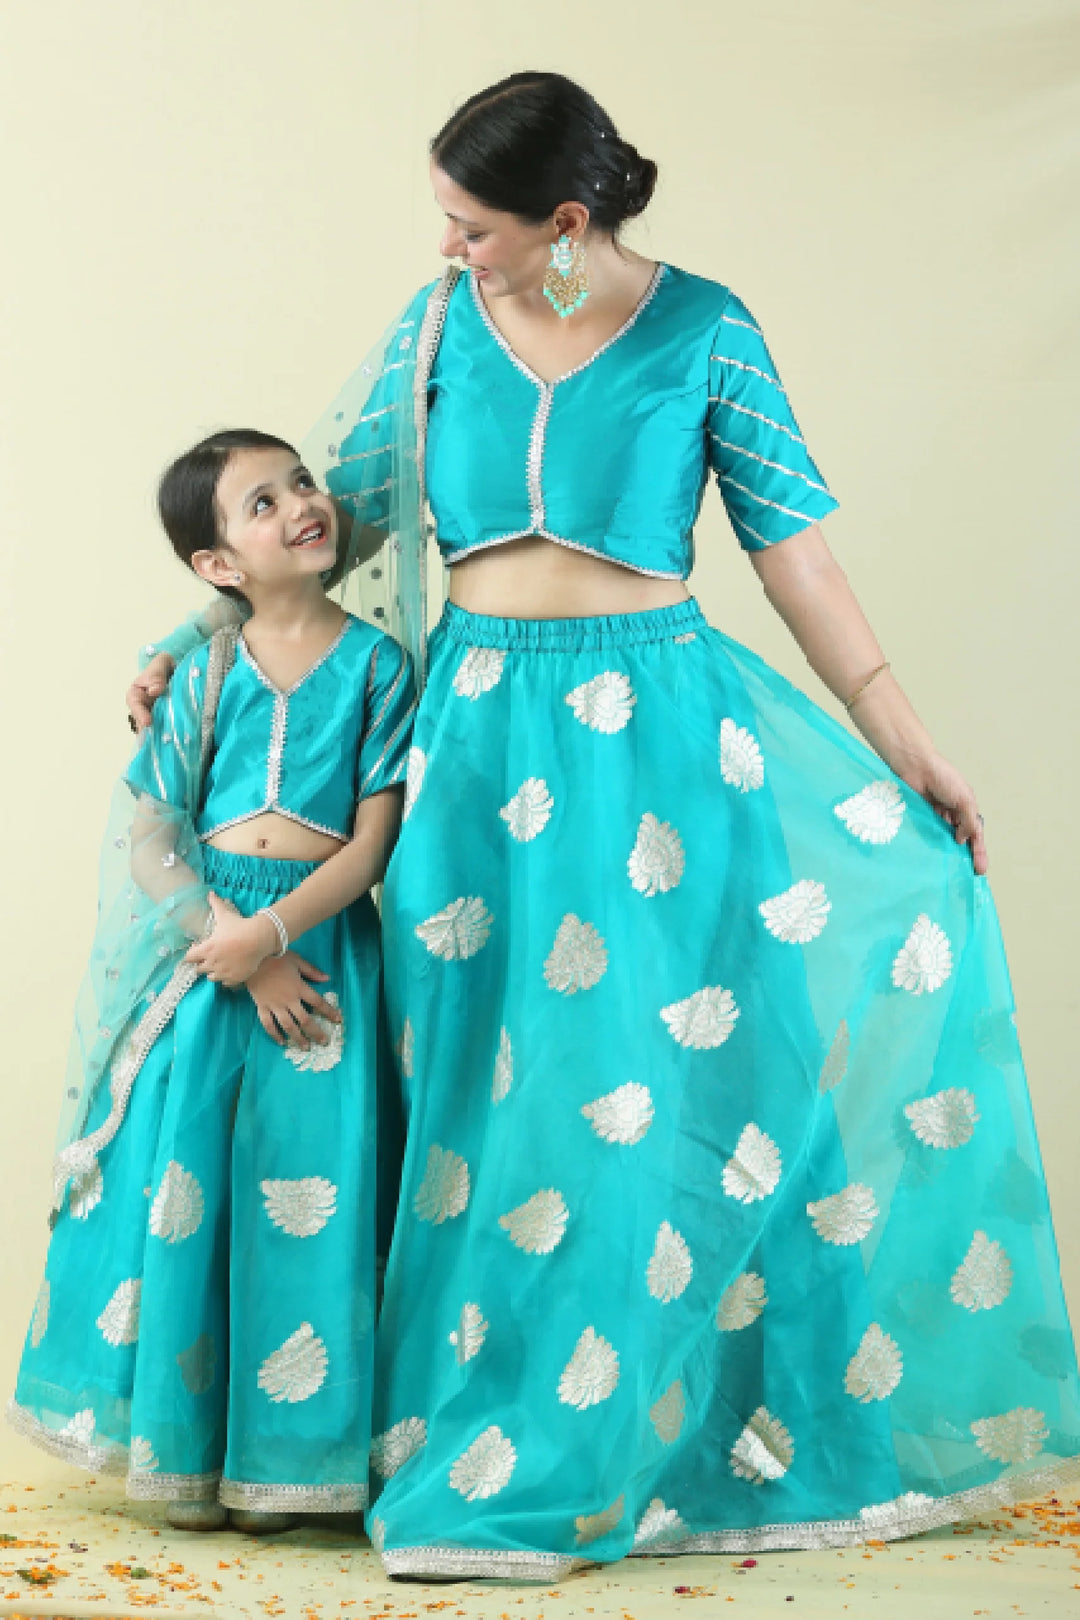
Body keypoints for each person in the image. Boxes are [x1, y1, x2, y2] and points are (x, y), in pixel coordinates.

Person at [128, 74, 1080, 1579]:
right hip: (474, 752)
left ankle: (657, 1444)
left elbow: (797, 557)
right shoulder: (434, 330)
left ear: (566, 220)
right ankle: (485, 1442)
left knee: (669, 1086)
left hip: (667, 744)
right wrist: (185, 642)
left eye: (474, 225)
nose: (450, 248)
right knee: (489, 1100)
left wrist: (911, 746)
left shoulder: (706, 330)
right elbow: (323, 527)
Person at [12, 430, 415, 1534]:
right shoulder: (204, 673)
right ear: (217, 564)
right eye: (260, 503)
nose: (300, 505)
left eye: (301, 484)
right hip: (214, 952)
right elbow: (153, 837)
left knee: (309, 1187)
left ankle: (285, 1467)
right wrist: (235, 942)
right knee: (198, 1184)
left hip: (324, 954)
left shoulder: (380, 665)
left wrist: (281, 934)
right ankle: (185, 1459)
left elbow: (374, 844)